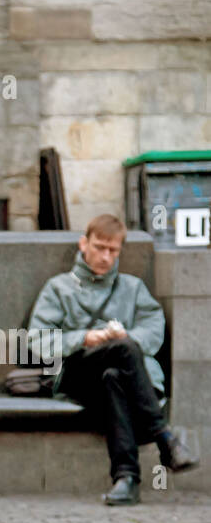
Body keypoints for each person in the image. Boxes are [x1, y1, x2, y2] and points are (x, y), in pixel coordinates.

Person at [29, 213, 198, 505]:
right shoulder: (59, 287)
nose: (105, 256)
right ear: (84, 244)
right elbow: (38, 339)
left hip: (116, 378)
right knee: (123, 349)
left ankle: (127, 478)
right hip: (77, 372)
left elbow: (153, 330)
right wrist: (84, 337)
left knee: (114, 375)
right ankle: (165, 438)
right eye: (99, 247)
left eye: (113, 250)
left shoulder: (132, 288)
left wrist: (125, 337)